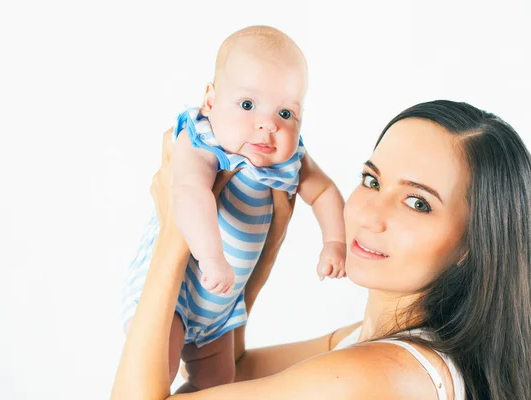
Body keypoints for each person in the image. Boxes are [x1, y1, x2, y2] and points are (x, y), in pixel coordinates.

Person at [113, 100, 531, 399]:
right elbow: (228, 374)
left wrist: (175, 235)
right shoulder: (364, 346)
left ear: (472, 244)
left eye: (417, 202)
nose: (370, 215)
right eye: (371, 181)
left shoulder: (372, 377)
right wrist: (269, 240)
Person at [121, 26, 345, 393]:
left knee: (218, 383)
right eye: (247, 105)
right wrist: (212, 259)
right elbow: (189, 192)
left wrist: (334, 241)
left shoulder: (291, 161)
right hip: (173, 291)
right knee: (151, 375)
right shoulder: (203, 140)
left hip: (219, 311)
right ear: (209, 100)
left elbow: (323, 192)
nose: (268, 124)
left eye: (286, 113)